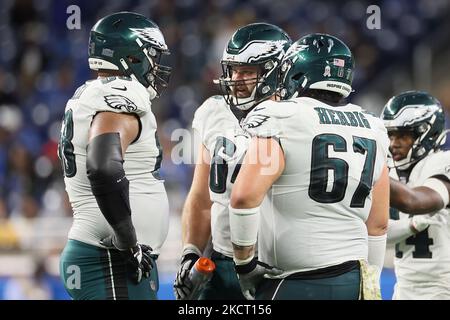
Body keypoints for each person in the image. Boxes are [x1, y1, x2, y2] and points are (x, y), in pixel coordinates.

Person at [228, 33, 390, 300]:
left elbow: (244, 197)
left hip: (296, 282)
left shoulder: (280, 115)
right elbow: (379, 224)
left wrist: (244, 266)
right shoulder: (374, 127)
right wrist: (369, 281)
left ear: (295, 73)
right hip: (352, 279)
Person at [173, 23, 291, 300]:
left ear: (276, 72)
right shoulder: (214, 111)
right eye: (233, 69)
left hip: (276, 267)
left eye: (248, 71)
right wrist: (190, 252)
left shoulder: (295, 117)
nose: (237, 78)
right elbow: (202, 197)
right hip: (222, 261)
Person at [58, 12, 171, 300]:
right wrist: (128, 243)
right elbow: (103, 167)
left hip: (107, 258)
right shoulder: (123, 93)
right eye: (152, 56)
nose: (156, 65)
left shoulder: (93, 93)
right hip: (109, 260)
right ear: (132, 58)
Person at [381, 91, 450, 300]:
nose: (394, 143)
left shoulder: (443, 162)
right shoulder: (390, 172)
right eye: (391, 135)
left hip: (443, 285)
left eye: (403, 135)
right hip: (404, 286)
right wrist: (410, 226)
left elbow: (415, 201)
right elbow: (378, 234)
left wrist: (370, 174)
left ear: (426, 133)